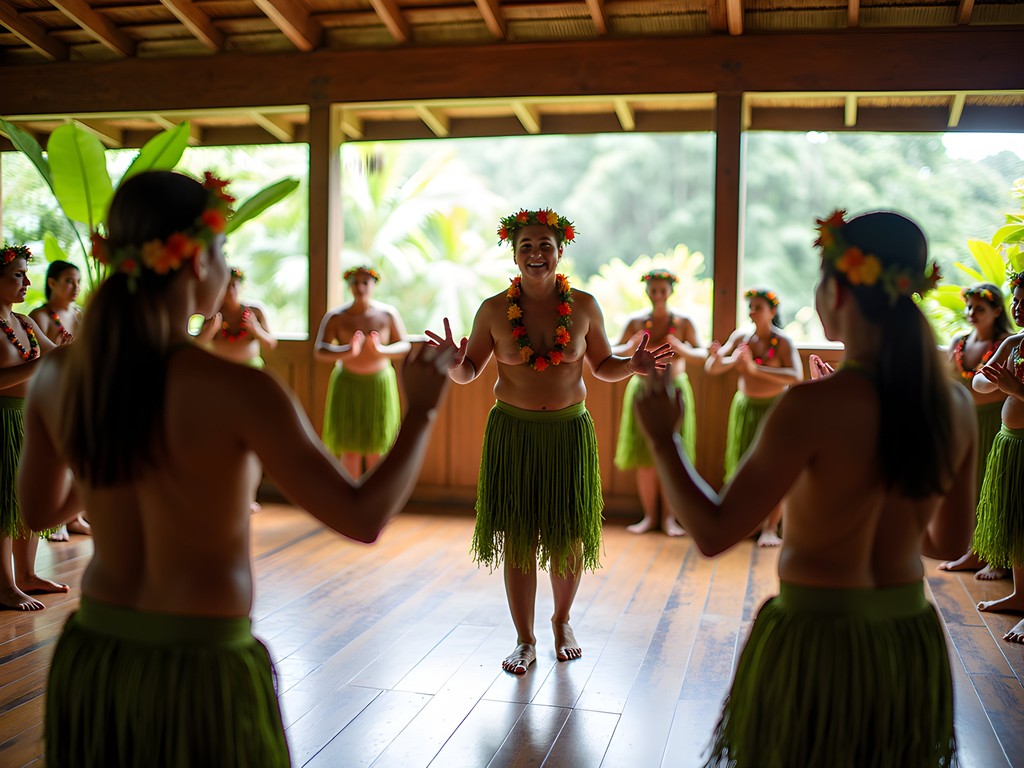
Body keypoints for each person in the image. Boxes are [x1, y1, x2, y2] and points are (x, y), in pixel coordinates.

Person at [16, 170, 455, 766]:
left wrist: (106, 452)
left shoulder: (59, 375)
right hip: (203, 667)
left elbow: (40, 511)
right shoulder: (239, 390)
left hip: (96, 652)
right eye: (223, 251)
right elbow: (363, 516)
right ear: (197, 262)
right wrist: (423, 410)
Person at [635, 210, 973, 767]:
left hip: (817, 640)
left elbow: (715, 533)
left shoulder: (812, 407)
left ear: (836, 291)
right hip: (907, 637)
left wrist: (664, 441)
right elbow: (947, 544)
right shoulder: (953, 404)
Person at [426, 208, 672, 675]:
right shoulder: (494, 310)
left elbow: (602, 366)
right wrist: (451, 363)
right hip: (513, 433)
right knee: (519, 536)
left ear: (560, 250)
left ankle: (562, 622)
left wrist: (632, 366)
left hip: (567, 432)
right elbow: (469, 372)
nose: (536, 253)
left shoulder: (584, 306)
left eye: (544, 245)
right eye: (526, 246)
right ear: (514, 255)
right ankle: (524, 638)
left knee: (567, 536)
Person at [704, 287, 803, 546]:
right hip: (745, 408)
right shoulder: (741, 338)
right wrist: (716, 358)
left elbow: (796, 376)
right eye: (750, 306)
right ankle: (749, 522)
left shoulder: (783, 342)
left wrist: (755, 370)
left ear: (772, 311)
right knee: (744, 466)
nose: (752, 311)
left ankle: (771, 527)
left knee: (775, 468)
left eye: (758, 306)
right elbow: (713, 369)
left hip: (774, 409)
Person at [0, 244, 69, 611]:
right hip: (2, 419)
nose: (27, 282)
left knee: (25, 499)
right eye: (17, 275)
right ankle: (5, 583)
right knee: (2, 505)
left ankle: (27, 573)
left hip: (28, 418)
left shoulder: (24, 322)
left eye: (26, 275)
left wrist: (64, 350)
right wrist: (40, 366)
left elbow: (51, 356)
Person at [613, 268, 706, 536]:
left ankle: (670, 519)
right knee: (644, 455)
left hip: (674, 388)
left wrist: (684, 349)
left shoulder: (684, 322)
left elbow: (700, 354)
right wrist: (630, 347)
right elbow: (612, 349)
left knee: (674, 453)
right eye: (653, 290)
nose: (657, 294)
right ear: (647, 291)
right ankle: (649, 516)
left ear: (670, 291)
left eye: (662, 290)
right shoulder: (635, 321)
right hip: (643, 389)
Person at [938, 282, 1012, 579]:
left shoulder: (1007, 342)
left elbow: (1000, 391)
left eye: (979, 308)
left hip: (993, 421)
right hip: (961, 421)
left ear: (996, 311)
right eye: (969, 307)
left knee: (989, 484)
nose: (971, 313)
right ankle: (971, 549)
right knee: (965, 482)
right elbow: (944, 380)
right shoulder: (959, 341)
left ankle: (993, 554)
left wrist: (963, 394)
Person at [314, 265, 410, 478]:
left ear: (373, 285)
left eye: (365, 282)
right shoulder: (336, 316)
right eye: (355, 283)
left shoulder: (387, 314)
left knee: (377, 446)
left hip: (378, 384)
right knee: (350, 448)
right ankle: (350, 498)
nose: (360, 287)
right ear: (348, 287)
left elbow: (404, 345)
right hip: (348, 383)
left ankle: (374, 501)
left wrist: (381, 350)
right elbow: (320, 350)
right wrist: (347, 351)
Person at [970, 271, 1024, 644]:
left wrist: (1014, 388)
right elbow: (978, 380)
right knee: (1014, 521)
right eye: (1016, 300)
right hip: (1009, 443)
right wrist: (990, 381)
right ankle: (1020, 594)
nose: (1018, 308)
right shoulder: (1016, 342)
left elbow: (1015, 389)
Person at [28, 260, 91, 541]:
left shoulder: (80, 315)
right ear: (51, 282)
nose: (75, 287)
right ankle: (58, 521)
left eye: (77, 281)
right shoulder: (39, 316)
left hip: (81, 392)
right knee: (59, 458)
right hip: (53, 394)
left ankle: (74, 517)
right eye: (68, 280)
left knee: (80, 456)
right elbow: (37, 359)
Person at [196, 266, 277, 368]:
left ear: (241, 287)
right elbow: (197, 345)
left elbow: (271, 344)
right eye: (226, 285)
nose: (230, 290)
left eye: (234, 285)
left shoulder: (255, 312)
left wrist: (256, 329)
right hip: (219, 370)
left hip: (250, 370)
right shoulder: (212, 313)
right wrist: (211, 330)